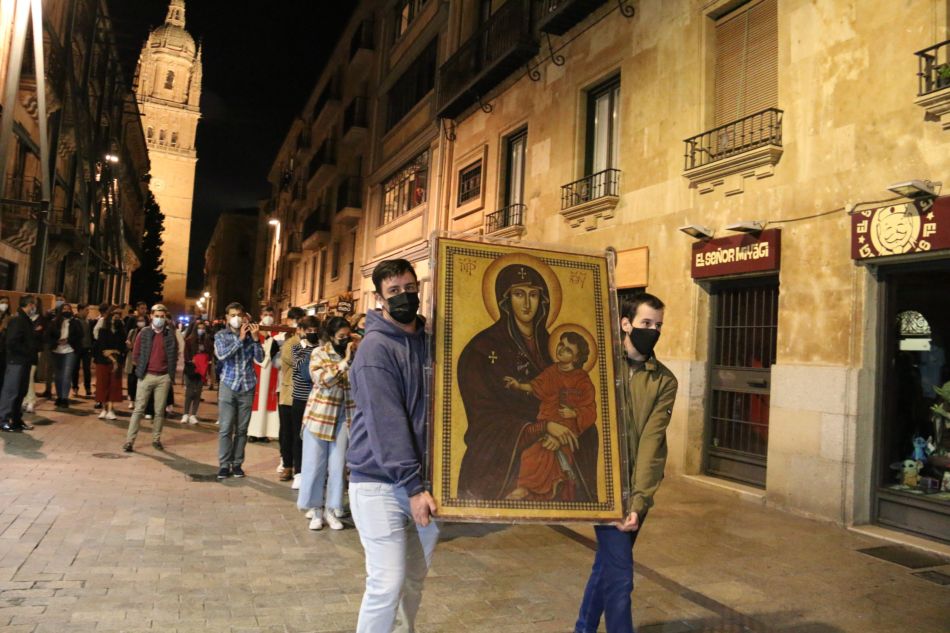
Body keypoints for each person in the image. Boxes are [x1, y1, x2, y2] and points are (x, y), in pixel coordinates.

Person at [574, 294, 677, 633]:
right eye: (646, 323)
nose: (653, 330)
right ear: (626, 323)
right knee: (620, 576)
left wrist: (638, 500)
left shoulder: (663, 381)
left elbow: (652, 442)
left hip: (634, 489)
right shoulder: (599, 365)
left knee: (607, 566)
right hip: (599, 481)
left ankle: (583, 628)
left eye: (658, 325)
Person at [456, 262, 599, 500]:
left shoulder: (554, 345)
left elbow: (574, 392)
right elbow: (484, 418)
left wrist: (565, 421)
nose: (526, 303)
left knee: (589, 433)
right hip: (508, 435)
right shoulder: (482, 349)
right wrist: (541, 428)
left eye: (533, 295)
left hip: (557, 424)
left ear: (543, 300)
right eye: (518, 294)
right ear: (505, 300)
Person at [347, 259, 438, 633]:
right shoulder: (375, 350)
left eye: (409, 287)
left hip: (423, 483)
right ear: (380, 298)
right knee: (386, 583)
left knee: (413, 580)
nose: (404, 296)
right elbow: (387, 423)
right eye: (394, 291)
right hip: (379, 482)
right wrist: (413, 486)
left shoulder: (431, 343)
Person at [503, 330, 597, 501]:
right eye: (561, 344)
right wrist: (518, 385)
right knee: (530, 454)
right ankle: (530, 489)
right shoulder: (551, 371)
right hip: (547, 424)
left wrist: (575, 413)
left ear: (576, 358)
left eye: (568, 349)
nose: (562, 349)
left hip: (568, 431)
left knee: (548, 454)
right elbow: (535, 386)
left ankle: (535, 488)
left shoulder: (582, 379)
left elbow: (590, 408)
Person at [298, 316, 355, 530]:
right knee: (314, 466)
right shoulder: (318, 353)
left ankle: (332, 509)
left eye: (347, 336)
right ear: (331, 336)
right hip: (319, 417)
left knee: (338, 466)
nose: (345, 340)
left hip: (344, 417)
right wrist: (344, 363)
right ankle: (316, 510)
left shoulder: (355, 354)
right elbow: (322, 380)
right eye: (341, 337)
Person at [214, 302, 263, 479]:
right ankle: (224, 464)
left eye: (239, 314)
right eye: (232, 314)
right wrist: (239, 340)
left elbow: (260, 359)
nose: (236, 318)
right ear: (227, 318)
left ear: (244, 317)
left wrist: (256, 339)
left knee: (242, 430)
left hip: (247, 386)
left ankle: (237, 464)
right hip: (228, 385)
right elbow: (222, 355)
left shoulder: (251, 336)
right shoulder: (221, 335)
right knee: (226, 428)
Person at [122, 304, 178, 452]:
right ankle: (129, 441)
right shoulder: (144, 333)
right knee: (139, 409)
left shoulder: (169, 334)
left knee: (159, 411)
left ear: (165, 318)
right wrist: (142, 369)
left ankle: (156, 439)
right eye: (157, 316)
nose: (159, 319)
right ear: (151, 316)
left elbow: (174, 354)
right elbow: (136, 354)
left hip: (163, 377)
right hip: (146, 376)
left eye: (162, 316)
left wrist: (170, 375)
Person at [289, 316, 321, 491]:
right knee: (298, 437)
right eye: (309, 331)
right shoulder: (296, 349)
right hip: (300, 398)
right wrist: (310, 351)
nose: (312, 334)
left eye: (315, 330)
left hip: (317, 399)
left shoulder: (323, 348)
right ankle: (298, 472)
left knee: (315, 438)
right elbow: (304, 372)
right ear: (301, 331)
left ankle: (315, 472)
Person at [0, 295, 41, 432]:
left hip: (24, 361)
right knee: (11, 391)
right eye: (33, 305)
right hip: (16, 361)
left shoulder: (25, 319)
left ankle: (17, 419)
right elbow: (11, 342)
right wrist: (27, 351)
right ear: (29, 304)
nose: (34, 308)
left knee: (21, 392)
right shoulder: (18, 319)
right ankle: (3, 420)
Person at [277, 307, 306, 480]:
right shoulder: (291, 344)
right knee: (287, 433)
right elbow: (299, 365)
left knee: (299, 435)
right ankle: (287, 465)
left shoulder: (313, 343)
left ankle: (300, 469)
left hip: (305, 396)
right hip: (289, 395)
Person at [248, 306, 281, 442]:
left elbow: (278, 348)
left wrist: (269, 338)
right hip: (257, 367)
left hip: (272, 368)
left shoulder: (278, 331)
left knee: (269, 400)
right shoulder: (254, 329)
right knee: (256, 400)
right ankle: (252, 432)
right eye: (265, 314)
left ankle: (265, 432)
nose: (268, 316)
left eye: (270, 314)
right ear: (261, 316)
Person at [48, 302, 82, 408]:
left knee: (66, 375)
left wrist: (68, 340)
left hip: (70, 350)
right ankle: (59, 396)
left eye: (68, 309)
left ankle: (64, 398)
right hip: (56, 351)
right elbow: (48, 335)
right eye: (64, 309)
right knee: (58, 376)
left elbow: (80, 334)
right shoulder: (54, 322)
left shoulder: (75, 322)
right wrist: (56, 341)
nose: (66, 311)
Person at [94, 309, 126, 421]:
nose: (115, 317)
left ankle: (111, 409)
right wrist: (113, 356)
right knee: (102, 385)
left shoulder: (121, 332)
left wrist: (113, 353)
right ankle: (104, 408)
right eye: (113, 315)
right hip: (103, 361)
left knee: (114, 385)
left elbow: (121, 348)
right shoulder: (103, 331)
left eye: (117, 315)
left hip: (117, 362)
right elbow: (102, 349)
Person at [182, 320, 212, 424]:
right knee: (189, 392)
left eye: (203, 328)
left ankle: (193, 415)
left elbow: (210, 355)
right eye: (199, 328)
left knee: (198, 393)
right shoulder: (189, 340)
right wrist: (192, 362)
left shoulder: (207, 341)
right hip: (191, 369)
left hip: (202, 369)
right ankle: (185, 414)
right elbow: (186, 355)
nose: (201, 330)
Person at [124, 315, 147, 409]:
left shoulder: (148, 332)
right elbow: (127, 343)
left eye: (143, 320)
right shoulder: (133, 331)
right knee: (131, 381)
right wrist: (128, 345)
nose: (141, 322)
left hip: (142, 360)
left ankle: (140, 401)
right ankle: (132, 400)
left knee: (141, 381)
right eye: (139, 320)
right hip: (132, 360)